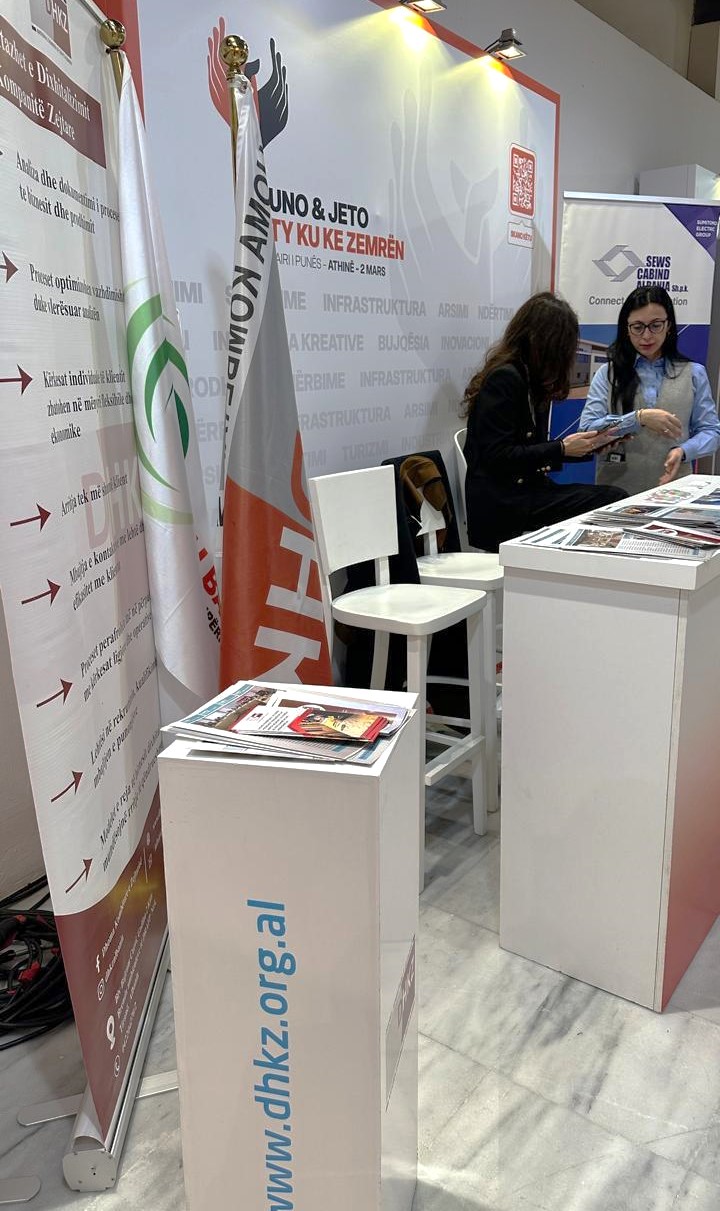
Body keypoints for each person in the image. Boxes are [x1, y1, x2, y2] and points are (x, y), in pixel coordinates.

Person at [462, 292, 627, 552]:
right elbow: (497, 457)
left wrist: (589, 447)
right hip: (505, 505)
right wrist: (561, 448)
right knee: (612, 499)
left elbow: (531, 451)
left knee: (612, 499)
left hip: (525, 494)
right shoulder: (505, 379)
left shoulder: (531, 381)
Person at [579, 285, 720, 493]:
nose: (646, 335)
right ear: (626, 329)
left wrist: (683, 451)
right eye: (638, 327)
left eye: (655, 325)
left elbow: (711, 431)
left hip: (675, 489)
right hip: (617, 490)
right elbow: (586, 430)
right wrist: (638, 418)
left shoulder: (694, 373)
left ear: (668, 325)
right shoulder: (608, 373)